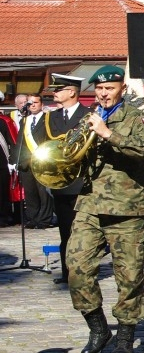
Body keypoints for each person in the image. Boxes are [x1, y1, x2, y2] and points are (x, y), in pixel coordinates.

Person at [65, 66, 144, 353]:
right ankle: (98, 327)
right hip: (90, 205)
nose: (103, 93)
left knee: (128, 276)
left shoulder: (137, 116)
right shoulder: (86, 117)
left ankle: (126, 335)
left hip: (126, 207)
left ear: (121, 87)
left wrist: (108, 134)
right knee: (76, 268)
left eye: (110, 88)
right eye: (100, 89)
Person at [41, 74, 89, 284]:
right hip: (60, 182)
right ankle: (67, 272)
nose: (54, 93)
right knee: (65, 231)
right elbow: (39, 142)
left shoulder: (88, 114)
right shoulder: (51, 117)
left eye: (58, 89)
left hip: (82, 182)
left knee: (85, 233)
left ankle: (84, 273)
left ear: (72, 92)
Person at [14, 93, 53, 229]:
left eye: (36, 102)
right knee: (30, 192)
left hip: (42, 160)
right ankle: (32, 218)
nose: (33, 105)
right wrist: (16, 159)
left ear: (41, 104)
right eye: (30, 103)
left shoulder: (48, 119)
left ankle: (44, 219)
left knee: (43, 192)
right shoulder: (24, 121)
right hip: (27, 161)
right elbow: (20, 141)